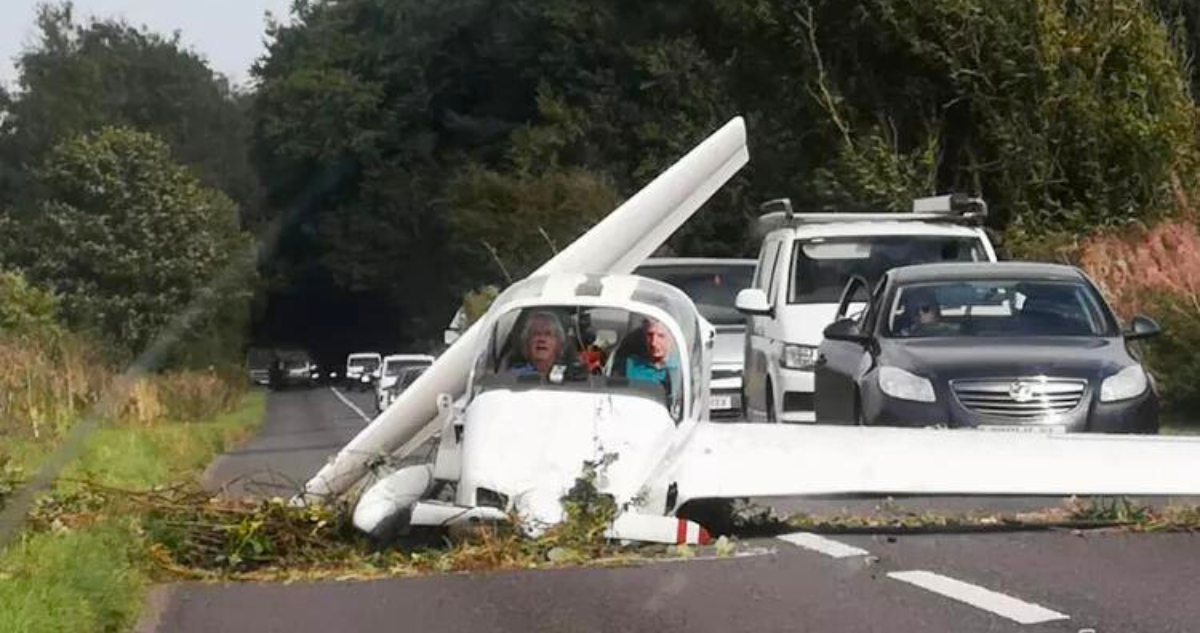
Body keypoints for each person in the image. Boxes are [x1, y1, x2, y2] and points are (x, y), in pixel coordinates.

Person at [510, 311, 566, 378]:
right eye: (536, 334)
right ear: (527, 343)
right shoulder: (513, 377)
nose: (542, 339)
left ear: (558, 343)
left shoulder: (570, 376)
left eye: (548, 334)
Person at [625, 317, 678, 385]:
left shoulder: (681, 369)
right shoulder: (628, 364)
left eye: (661, 336)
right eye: (650, 335)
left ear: (672, 338)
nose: (653, 343)